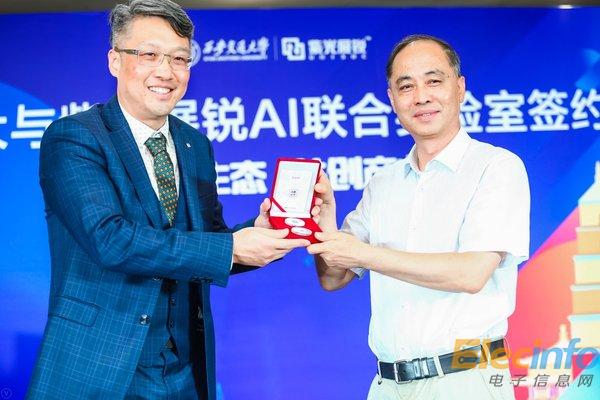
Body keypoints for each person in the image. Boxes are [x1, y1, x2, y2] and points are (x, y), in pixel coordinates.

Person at [26, 1, 312, 399]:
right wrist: (231, 247)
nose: (166, 71)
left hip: (183, 370)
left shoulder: (195, 145)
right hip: (100, 365)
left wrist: (259, 232)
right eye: (149, 55)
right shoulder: (75, 137)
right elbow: (110, 240)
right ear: (114, 61)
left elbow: (209, 240)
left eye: (179, 58)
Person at [308, 34, 529, 399]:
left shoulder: (496, 167)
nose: (421, 97)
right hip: (388, 384)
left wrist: (363, 254)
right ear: (392, 99)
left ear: (460, 88)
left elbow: (472, 273)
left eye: (434, 81)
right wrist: (325, 222)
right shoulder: (383, 184)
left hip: (465, 378)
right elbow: (333, 278)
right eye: (406, 86)